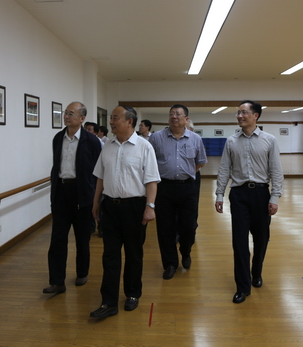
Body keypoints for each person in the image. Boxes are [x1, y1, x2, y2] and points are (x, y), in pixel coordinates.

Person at [90, 105, 160, 319]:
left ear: (130, 121)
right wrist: (96, 202)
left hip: (134, 208)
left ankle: (132, 293)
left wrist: (150, 207)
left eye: (115, 118)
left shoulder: (144, 147)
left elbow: (151, 180)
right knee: (110, 255)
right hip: (110, 206)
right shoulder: (107, 146)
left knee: (133, 254)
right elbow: (100, 177)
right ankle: (108, 301)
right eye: (111, 118)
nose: (111, 122)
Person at [215, 100, 283, 304]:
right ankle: (242, 287)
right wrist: (219, 194)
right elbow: (224, 169)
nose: (240, 116)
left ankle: (257, 272)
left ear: (256, 116)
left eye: (244, 112)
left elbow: (276, 170)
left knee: (261, 239)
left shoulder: (269, 140)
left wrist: (275, 197)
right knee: (239, 242)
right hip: (239, 195)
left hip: (261, 195)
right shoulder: (231, 141)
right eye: (238, 113)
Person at [43, 102, 102, 295]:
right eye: (65, 113)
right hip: (61, 192)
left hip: (82, 194)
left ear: (82, 118)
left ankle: (82, 272)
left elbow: (98, 172)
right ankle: (57, 282)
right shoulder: (58, 138)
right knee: (57, 240)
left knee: (82, 238)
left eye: (71, 113)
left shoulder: (91, 141)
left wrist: (95, 198)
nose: (66, 116)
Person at [148, 104, 207, 280]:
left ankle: (186, 251)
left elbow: (200, 161)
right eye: (171, 114)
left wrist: (185, 173)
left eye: (178, 114)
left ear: (186, 119)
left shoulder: (195, 139)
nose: (174, 116)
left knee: (188, 226)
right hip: (164, 188)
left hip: (187, 188)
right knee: (165, 228)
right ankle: (170, 264)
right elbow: (149, 162)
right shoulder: (156, 138)